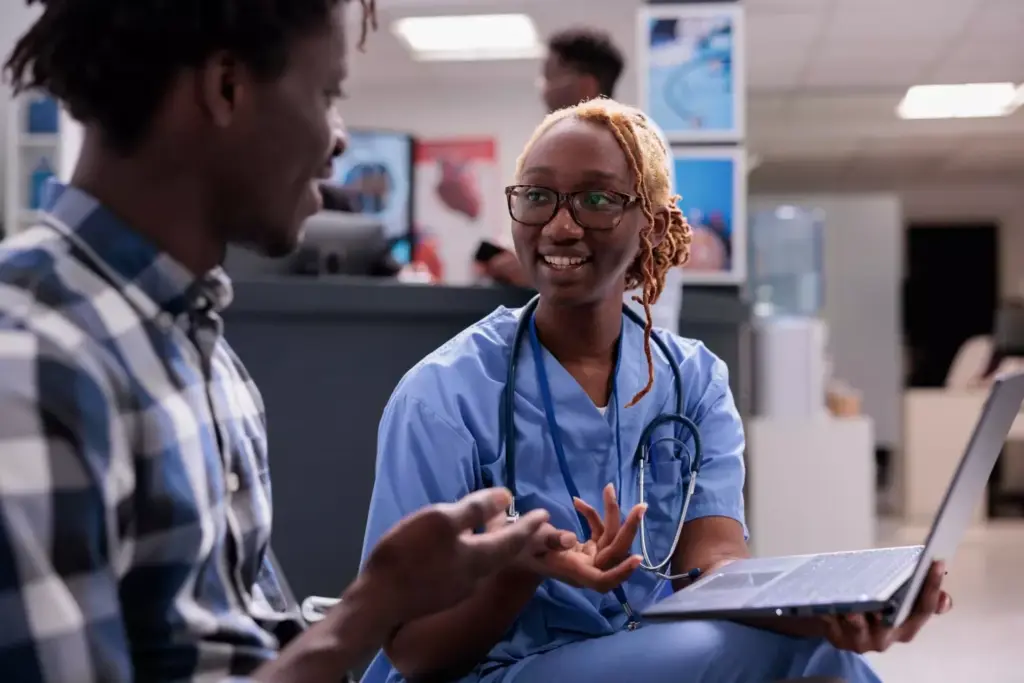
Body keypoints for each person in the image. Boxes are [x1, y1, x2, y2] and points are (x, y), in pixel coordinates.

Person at [0, 1, 573, 681]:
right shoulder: (32, 366)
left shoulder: (207, 354)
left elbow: (244, 649)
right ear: (227, 88)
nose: (338, 140)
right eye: (328, 94)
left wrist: (425, 596)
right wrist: (372, 607)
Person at [360, 98, 953, 683]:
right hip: (492, 672)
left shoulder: (692, 380)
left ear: (652, 221)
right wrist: (520, 572)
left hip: (651, 658)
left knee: (822, 655)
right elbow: (412, 653)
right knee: (800, 664)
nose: (562, 226)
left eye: (597, 200)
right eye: (538, 197)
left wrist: (828, 615)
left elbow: (713, 568)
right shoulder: (444, 396)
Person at [482, 27, 684, 333]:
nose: (543, 88)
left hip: (627, 328)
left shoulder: (635, 142)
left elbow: (624, 249)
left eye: (550, 76)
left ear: (586, 85)